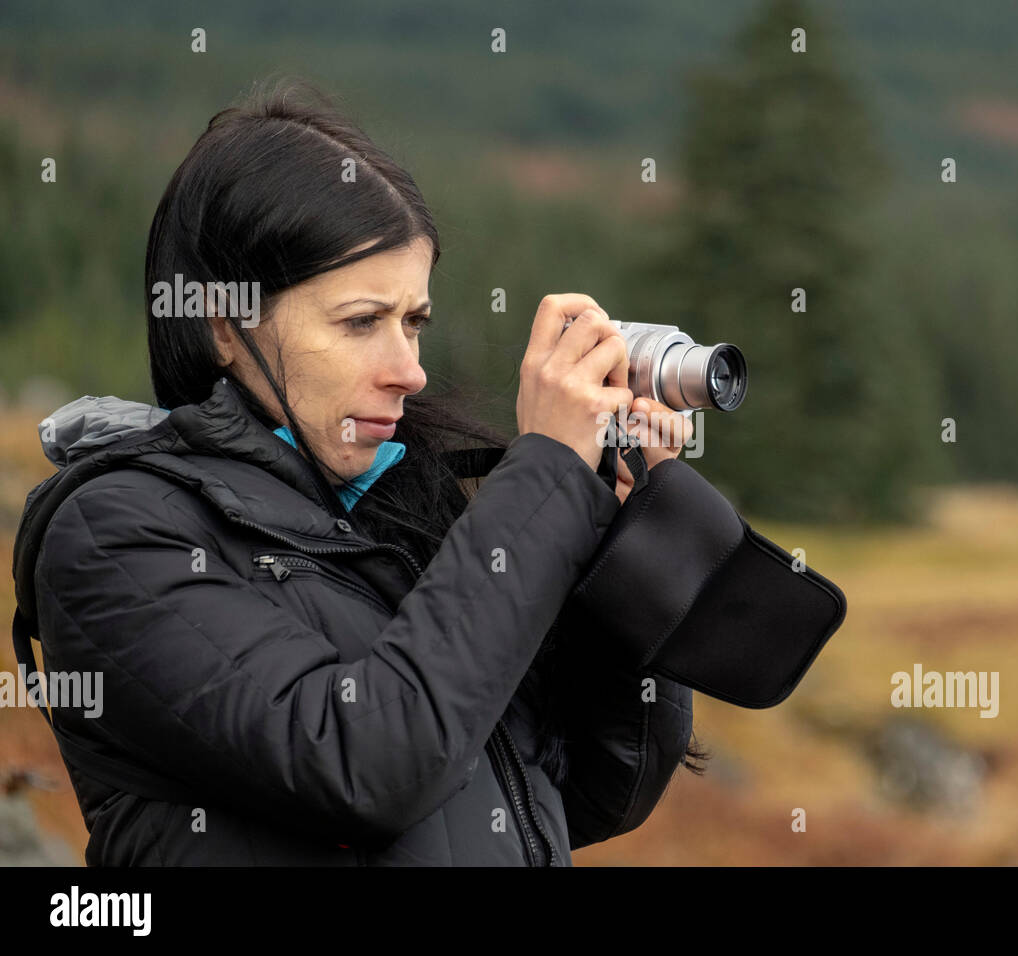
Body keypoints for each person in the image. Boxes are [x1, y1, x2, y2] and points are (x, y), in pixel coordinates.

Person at [11, 79, 708, 866]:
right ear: (222, 327)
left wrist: (627, 552)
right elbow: (369, 764)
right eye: (361, 322)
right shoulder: (116, 534)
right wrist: (545, 468)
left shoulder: (395, 513)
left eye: (413, 322)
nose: (408, 370)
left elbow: (586, 791)